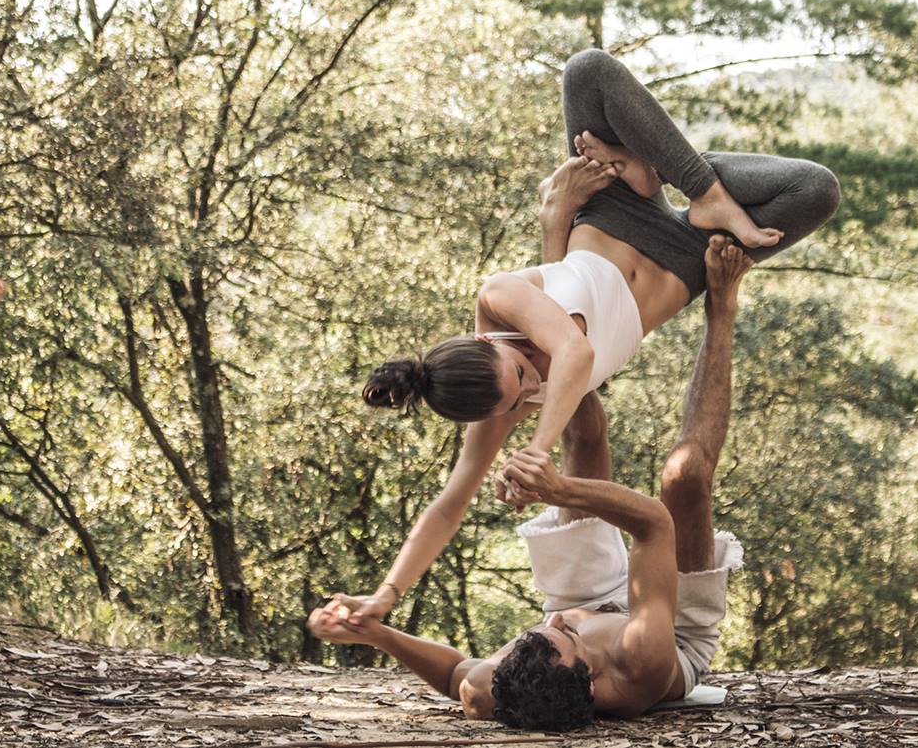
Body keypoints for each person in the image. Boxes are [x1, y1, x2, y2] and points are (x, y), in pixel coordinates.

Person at [349, 50, 837, 625]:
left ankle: (675, 180)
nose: (532, 387)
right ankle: (657, 167)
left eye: (522, 374)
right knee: (814, 190)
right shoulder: (502, 402)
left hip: (614, 214)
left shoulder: (498, 295)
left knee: (587, 71)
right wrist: (384, 596)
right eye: (518, 402)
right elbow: (451, 500)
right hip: (689, 261)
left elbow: (574, 348)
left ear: (486, 341)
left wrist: (536, 451)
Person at [310, 238, 753, 730]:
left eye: (538, 633)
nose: (556, 619)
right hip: (674, 630)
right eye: (564, 638)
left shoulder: (503, 683)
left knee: (582, 430)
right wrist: (556, 489)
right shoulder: (640, 661)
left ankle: (561, 277)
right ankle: (723, 308)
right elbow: (654, 524)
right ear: (589, 686)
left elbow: (459, 672)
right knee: (684, 478)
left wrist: (378, 629)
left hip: (590, 605)